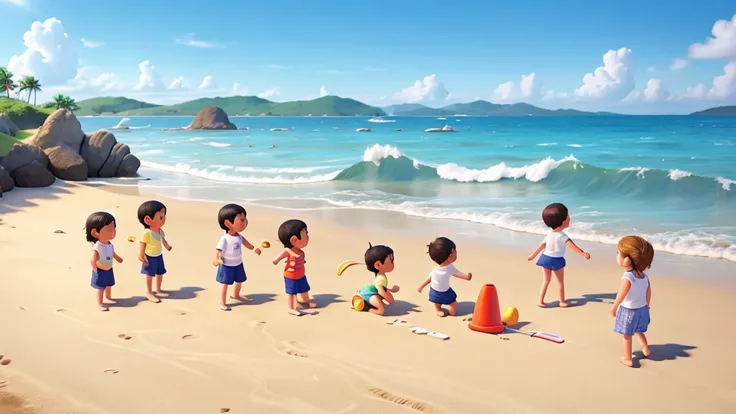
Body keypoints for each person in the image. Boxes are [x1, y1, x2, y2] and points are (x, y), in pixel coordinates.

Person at [527, 203, 590, 308]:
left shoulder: (549, 234)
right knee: (560, 282)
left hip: (545, 258)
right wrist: (583, 253)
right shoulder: (563, 236)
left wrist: (533, 256)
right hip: (557, 260)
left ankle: (540, 301)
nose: (570, 218)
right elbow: (573, 247)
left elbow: (542, 245)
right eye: (568, 215)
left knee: (546, 281)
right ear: (564, 221)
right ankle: (561, 301)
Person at [611, 235, 654, 367]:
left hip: (629, 311)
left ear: (627, 260)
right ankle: (645, 348)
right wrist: (647, 305)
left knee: (627, 334)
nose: (617, 255)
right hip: (642, 309)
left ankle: (628, 358)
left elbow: (621, 294)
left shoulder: (628, 276)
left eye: (619, 253)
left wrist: (614, 307)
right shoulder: (644, 276)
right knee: (639, 330)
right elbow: (648, 291)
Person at [213, 204, 262, 311]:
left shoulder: (239, 237)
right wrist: (219, 258)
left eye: (245, 219)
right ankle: (222, 302)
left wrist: (255, 249)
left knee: (239, 281)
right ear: (228, 223)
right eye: (242, 219)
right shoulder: (225, 238)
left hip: (238, 263)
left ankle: (236, 295)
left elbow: (247, 244)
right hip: (227, 265)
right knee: (225, 284)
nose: (245, 222)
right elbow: (219, 250)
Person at [417, 237, 472, 317]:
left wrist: (466, 277)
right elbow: (457, 273)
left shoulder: (437, 269)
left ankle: (440, 309)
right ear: (450, 254)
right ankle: (440, 310)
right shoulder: (448, 268)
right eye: (455, 250)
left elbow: (430, 279)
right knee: (453, 303)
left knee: (437, 301)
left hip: (436, 290)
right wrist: (421, 286)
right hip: (439, 291)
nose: (456, 252)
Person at [273, 219, 314, 315]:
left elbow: (302, 260)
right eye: (306, 234)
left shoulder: (301, 252)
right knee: (292, 293)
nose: (308, 237)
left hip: (301, 275)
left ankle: (306, 301)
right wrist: (276, 260)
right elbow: (279, 257)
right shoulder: (288, 251)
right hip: (291, 276)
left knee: (305, 289)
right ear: (294, 240)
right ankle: (291, 308)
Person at [85, 212, 123, 311]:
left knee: (109, 284)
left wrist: (118, 258)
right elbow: (92, 258)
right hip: (100, 269)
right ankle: (99, 303)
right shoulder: (97, 246)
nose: (113, 232)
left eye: (114, 228)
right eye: (109, 230)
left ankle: (108, 297)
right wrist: (95, 268)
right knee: (101, 287)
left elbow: (112, 253)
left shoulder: (109, 244)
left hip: (109, 268)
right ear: (95, 233)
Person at [137, 200, 172, 303]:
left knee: (160, 272)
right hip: (150, 257)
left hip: (159, 255)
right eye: (160, 217)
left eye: (164, 217)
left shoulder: (160, 231)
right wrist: (141, 254)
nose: (163, 220)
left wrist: (167, 246)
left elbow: (162, 240)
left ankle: (158, 289)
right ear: (148, 219)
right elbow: (142, 243)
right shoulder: (147, 233)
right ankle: (149, 292)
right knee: (150, 275)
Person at [353, 244, 399, 315]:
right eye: (391, 261)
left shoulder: (381, 276)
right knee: (381, 310)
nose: (393, 264)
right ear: (378, 265)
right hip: (368, 295)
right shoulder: (381, 278)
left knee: (380, 300)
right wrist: (391, 300)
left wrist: (391, 290)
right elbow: (381, 292)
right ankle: (368, 308)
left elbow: (382, 288)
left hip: (372, 292)